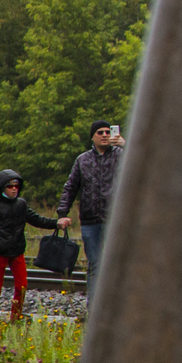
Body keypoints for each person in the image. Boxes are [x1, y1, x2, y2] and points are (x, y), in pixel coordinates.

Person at [0, 170, 65, 322]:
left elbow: (36, 219)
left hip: (17, 250)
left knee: (22, 286)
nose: (14, 189)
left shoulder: (21, 204)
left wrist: (56, 223)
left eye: (16, 185)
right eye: (10, 186)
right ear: (2, 187)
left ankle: (15, 317)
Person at [58, 121, 121, 307]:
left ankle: (114, 307)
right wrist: (62, 212)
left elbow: (142, 165)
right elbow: (70, 188)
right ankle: (94, 308)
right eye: (100, 132)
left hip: (115, 220)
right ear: (93, 136)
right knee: (95, 265)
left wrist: (124, 145)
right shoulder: (82, 160)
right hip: (90, 221)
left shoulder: (122, 155)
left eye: (108, 132)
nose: (104, 135)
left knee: (116, 264)